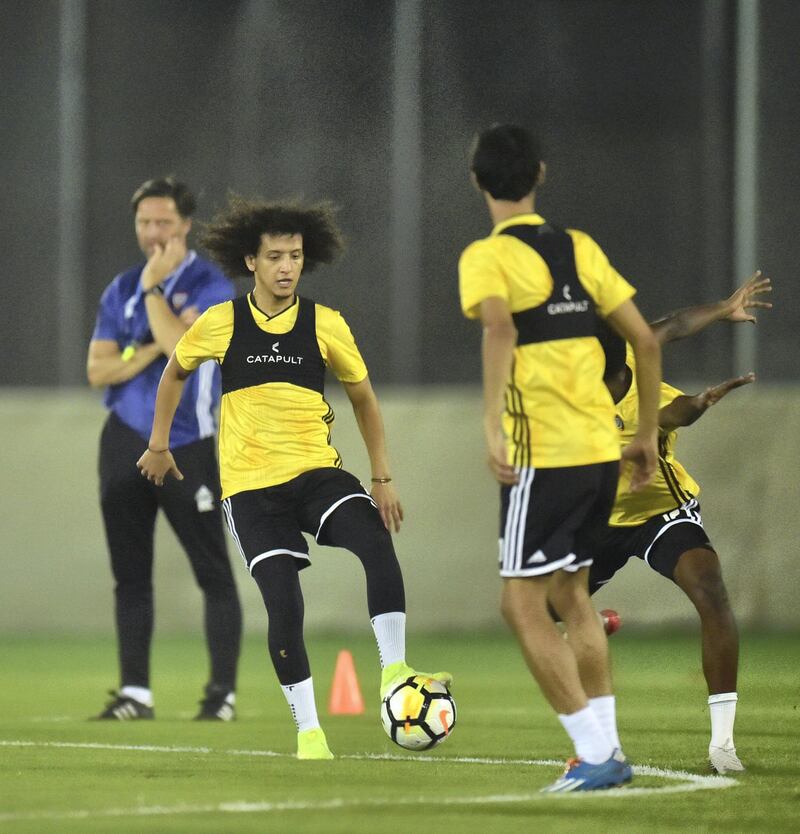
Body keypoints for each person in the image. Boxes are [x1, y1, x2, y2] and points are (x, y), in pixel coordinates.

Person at [136, 196, 451, 760]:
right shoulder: (222, 322)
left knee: (375, 541)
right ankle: (309, 733)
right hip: (252, 491)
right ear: (251, 262)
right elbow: (174, 373)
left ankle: (394, 671)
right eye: (275, 256)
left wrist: (382, 477)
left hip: (315, 474)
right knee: (284, 604)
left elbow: (363, 398)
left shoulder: (325, 324)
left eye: (296, 256)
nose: (287, 267)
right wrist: (158, 444)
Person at [459, 123, 662, 792]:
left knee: (520, 606)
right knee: (571, 595)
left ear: (478, 181)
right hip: (602, 450)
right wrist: (645, 435)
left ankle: (595, 753)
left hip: (543, 454)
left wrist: (491, 423)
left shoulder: (486, 257)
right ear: (540, 173)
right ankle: (607, 751)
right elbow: (645, 342)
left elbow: (499, 326)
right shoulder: (579, 248)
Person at [591, 271, 772, 775]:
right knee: (537, 611)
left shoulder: (634, 362)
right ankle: (594, 624)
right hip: (596, 520)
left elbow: (674, 400)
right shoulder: (569, 394)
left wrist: (699, 400)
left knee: (711, 589)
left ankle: (723, 746)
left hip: (657, 512)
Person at [87, 177, 242, 721]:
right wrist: (148, 346)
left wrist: (155, 295)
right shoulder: (119, 287)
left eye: (162, 222)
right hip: (123, 442)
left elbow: (184, 349)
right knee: (130, 575)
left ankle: (221, 694)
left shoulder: (212, 283)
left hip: (187, 443)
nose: (152, 233)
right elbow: (98, 369)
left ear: (184, 226)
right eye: (143, 223)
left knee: (213, 573)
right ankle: (136, 693)